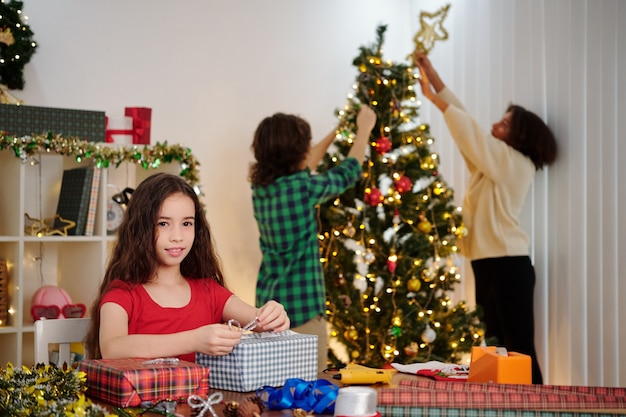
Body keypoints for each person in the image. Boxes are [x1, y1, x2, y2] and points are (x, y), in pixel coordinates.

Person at [414, 52, 557, 384]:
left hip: (509, 264)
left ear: (519, 137)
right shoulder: (490, 165)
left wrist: (434, 100)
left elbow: (471, 132)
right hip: (488, 263)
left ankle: (538, 407)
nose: (495, 126)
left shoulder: (514, 163)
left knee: (519, 351)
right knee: (495, 349)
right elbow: (468, 129)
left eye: (504, 124)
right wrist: (432, 73)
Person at [85, 172, 290, 362]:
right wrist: (194, 340)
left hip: (206, 402)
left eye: (187, 224)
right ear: (141, 228)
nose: (177, 237)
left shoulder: (209, 291)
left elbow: (261, 321)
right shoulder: (122, 294)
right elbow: (112, 348)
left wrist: (274, 314)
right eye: (163, 223)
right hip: (145, 402)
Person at [249, 106, 377, 371]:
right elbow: (348, 171)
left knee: (271, 385)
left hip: (268, 309)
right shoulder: (303, 189)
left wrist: (336, 131)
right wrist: (364, 129)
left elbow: (305, 165)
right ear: (297, 154)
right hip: (304, 310)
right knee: (310, 391)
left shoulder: (261, 190)